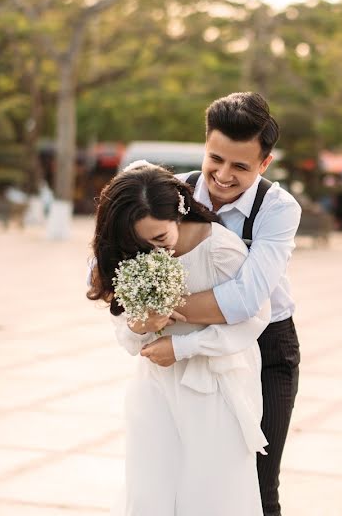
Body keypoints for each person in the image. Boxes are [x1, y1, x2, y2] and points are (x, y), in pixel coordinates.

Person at [136, 91, 302, 516]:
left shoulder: (277, 208)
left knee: (258, 483)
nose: (223, 176)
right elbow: (111, 255)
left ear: (265, 164)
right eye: (216, 159)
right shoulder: (175, 192)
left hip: (267, 348)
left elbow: (247, 299)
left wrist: (162, 307)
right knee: (186, 478)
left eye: (241, 166)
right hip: (191, 349)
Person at [88, 163, 270, 515]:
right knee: (149, 494)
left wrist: (183, 346)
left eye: (159, 239)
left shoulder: (220, 250)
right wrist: (142, 324)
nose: (153, 252)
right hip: (155, 389)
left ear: (179, 212)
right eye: (139, 243)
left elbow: (253, 320)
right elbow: (125, 334)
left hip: (214, 389)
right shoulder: (134, 254)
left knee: (211, 498)